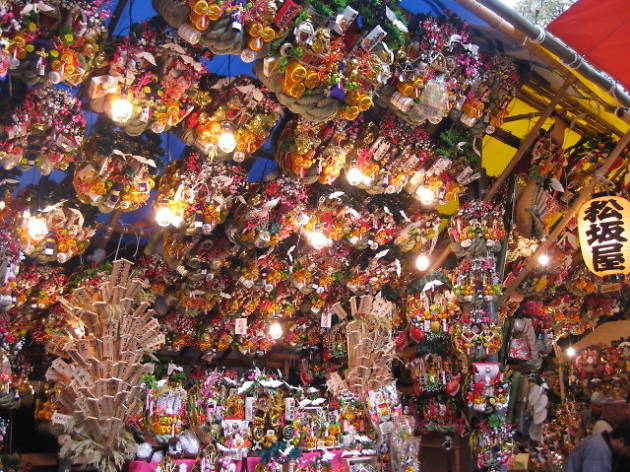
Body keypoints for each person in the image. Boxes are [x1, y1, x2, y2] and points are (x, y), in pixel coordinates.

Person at [564, 422, 630, 472]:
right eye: (628, 450)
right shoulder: (598, 449)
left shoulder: (600, 441)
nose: (627, 454)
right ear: (621, 441)